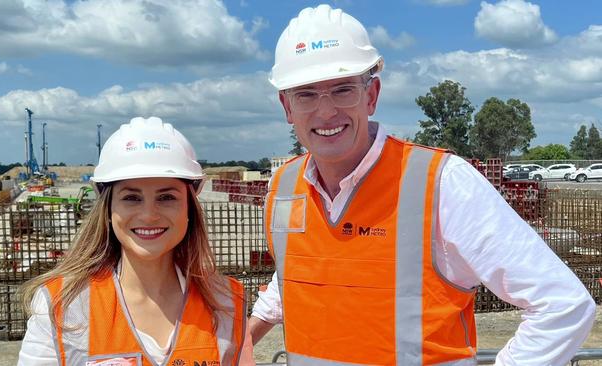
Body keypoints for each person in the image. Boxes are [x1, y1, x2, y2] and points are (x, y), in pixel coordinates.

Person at [248, 4, 595, 365]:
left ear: (371, 95)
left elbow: (562, 306)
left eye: (342, 89)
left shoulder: (441, 182)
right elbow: (295, 272)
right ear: (286, 106)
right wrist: (244, 337)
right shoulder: (284, 184)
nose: (325, 111)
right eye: (305, 94)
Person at [18, 117, 254, 366]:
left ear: (189, 208)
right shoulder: (62, 304)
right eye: (131, 198)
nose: (149, 215)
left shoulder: (227, 301)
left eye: (166, 197)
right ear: (108, 209)